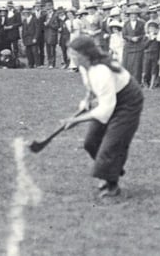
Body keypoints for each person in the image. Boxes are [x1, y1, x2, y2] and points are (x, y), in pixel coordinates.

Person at [59, 36, 144, 198]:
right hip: (110, 98)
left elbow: (105, 109)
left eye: (74, 54)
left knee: (112, 144)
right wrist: (87, 99)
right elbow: (91, 87)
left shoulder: (101, 71)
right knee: (91, 142)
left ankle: (111, 185)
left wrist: (75, 120)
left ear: (85, 54)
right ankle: (113, 169)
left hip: (128, 102)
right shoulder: (85, 67)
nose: (71, 57)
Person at [122, 5, 145, 82]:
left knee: (137, 65)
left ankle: (136, 81)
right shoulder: (126, 24)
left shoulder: (141, 23)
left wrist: (138, 38)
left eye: (135, 14)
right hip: (128, 46)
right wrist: (131, 38)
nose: (133, 16)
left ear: (137, 15)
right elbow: (124, 35)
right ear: (129, 15)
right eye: (131, 14)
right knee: (128, 64)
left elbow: (144, 34)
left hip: (138, 46)